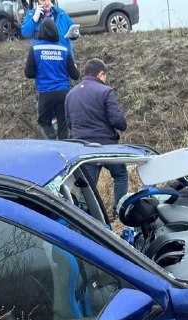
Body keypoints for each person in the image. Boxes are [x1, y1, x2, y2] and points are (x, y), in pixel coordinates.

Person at [65, 58, 129, 206]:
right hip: (106, 146)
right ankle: (120, 208)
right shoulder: (105, 91)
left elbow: (69, 124)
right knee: (120, 175)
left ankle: (86, 214)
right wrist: (122, 126)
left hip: (83, 148)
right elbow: (117, 121)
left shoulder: (70, 94)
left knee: (88, 186)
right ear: (101, 74)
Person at [24, 18, 79, 139]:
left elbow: (28, 73)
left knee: (44, 122)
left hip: (45, 93)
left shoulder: (35, 49)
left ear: (41, 32)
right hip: (63, 92)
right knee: (63, 124)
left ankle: (51, 141)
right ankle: (64, 145)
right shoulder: (64, 50)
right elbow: (75, 75)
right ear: (56, 31)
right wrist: (74, 67)